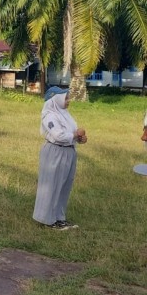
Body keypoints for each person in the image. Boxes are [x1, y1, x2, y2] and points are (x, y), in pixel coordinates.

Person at [33, 87, 87, 230]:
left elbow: (70, 134)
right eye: (66, 98)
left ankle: (59, 218)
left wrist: (80, 139)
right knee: (52, 185)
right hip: (55, 152)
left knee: (64, 186)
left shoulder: (64, 114)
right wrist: (76, 135)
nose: (68, 101)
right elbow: (58, 135)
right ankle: (47, 219)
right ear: (56, 99)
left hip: (68, 152)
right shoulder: (49, 115)